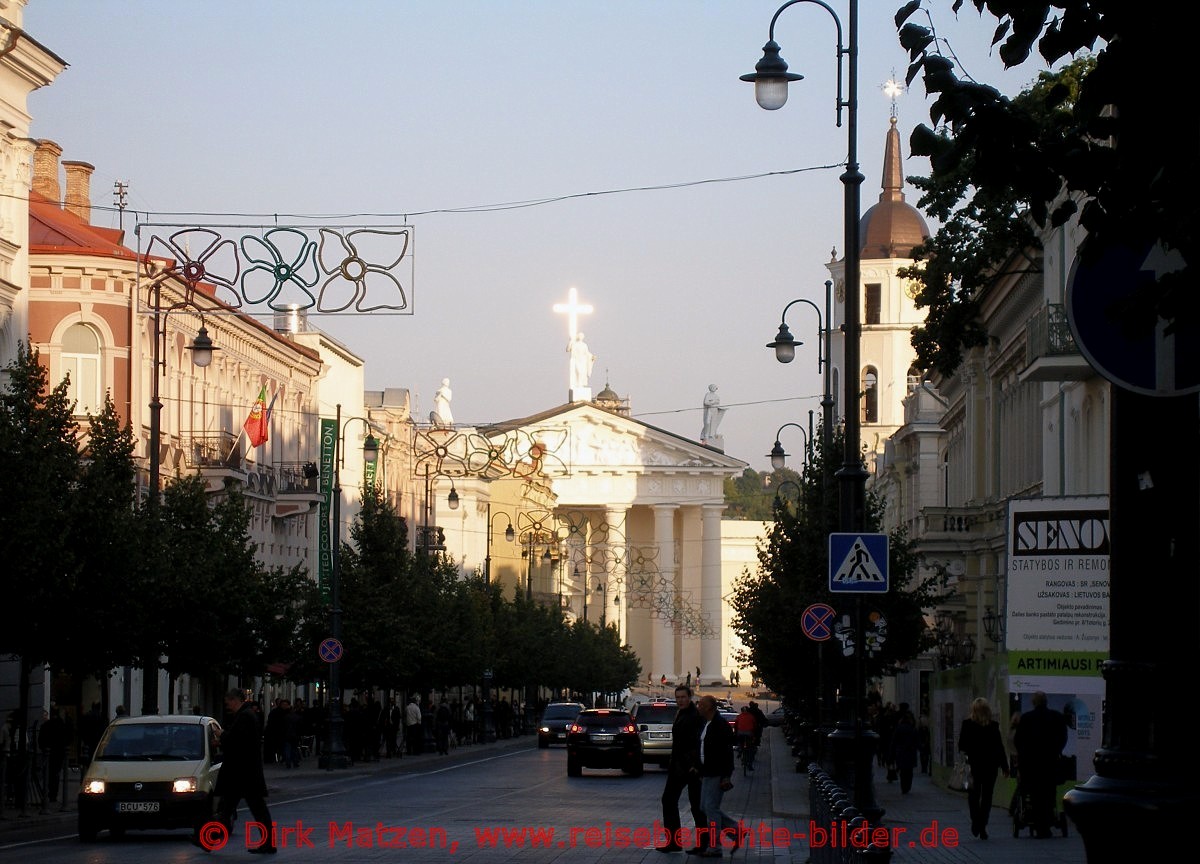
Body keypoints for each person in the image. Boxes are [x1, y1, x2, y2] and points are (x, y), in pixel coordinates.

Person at [214, 689, 276, 854]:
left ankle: (208, 839)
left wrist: (222, 735)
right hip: (245, 773)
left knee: (244, 809)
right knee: (230, 809)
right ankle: (207, 839)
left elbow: (237, 741)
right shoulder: (247, 715)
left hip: (242, 773)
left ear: (235, 700)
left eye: (228, 703)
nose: (228, 706)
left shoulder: (244, 716)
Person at [656, 685, 705, 854]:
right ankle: (676, 842)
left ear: (690, 697)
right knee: (672, 801)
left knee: (695, 805)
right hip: (680, 766)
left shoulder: (693, 716)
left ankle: (699, 843)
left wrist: (693, 765)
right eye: (677, 698)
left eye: (683, 697)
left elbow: (695, 743)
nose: (680, 700)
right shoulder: (683, 714)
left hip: (688, 767)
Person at [1013, 691, 1068, 839]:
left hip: (1030, 764)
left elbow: (1018, 741)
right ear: (1046, 702)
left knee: (1034, 793)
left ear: (1034, 703)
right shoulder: (1057, 717)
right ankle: (1048, 819)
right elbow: (1063, 738)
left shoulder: (1026, 719)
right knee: (1049, 792)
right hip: (1050, 762)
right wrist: (1056, 751)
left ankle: (1038, 824)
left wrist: (1024, 755)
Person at [957, 696, 1009, 840]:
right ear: (987, 710)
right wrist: (1005, 766)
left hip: (972, 767)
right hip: (990, 767)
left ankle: (976, 822)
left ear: (973, 709)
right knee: (987, 797)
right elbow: (999, 747)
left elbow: (961, 746)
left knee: (973, 796)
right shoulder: (993, 726)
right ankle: (983, 825)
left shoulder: (967, 724)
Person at [694, 694, 738, 857]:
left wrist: (727, 775)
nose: (698, 707)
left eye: (701, 705)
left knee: (710, 808)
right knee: (704, 807)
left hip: (717, 772)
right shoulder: (708, 724)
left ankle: (715, 847)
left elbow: (727, 752)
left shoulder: (720, 725)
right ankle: (735, 830)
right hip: (707, 772)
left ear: (709, 708)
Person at [892, 707, 919, 793]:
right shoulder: (913, 729)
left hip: (901, 752)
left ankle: (903, 787)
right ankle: (908, 786)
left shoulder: (899, 728)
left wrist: (892, 752)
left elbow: (894, 741)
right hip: (910, 752)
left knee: (903, 771)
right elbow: (917, 741)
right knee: (909, 771)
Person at [734, 706, 758, 771]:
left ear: (741, 711)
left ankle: (740, 750)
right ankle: (749, 764)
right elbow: (755, 726)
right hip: (749, 734)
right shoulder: (751, 716)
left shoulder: (739, 716)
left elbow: (735, 725)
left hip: (740, 734)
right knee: (750, 749)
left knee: (740, 742)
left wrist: (736, 733)